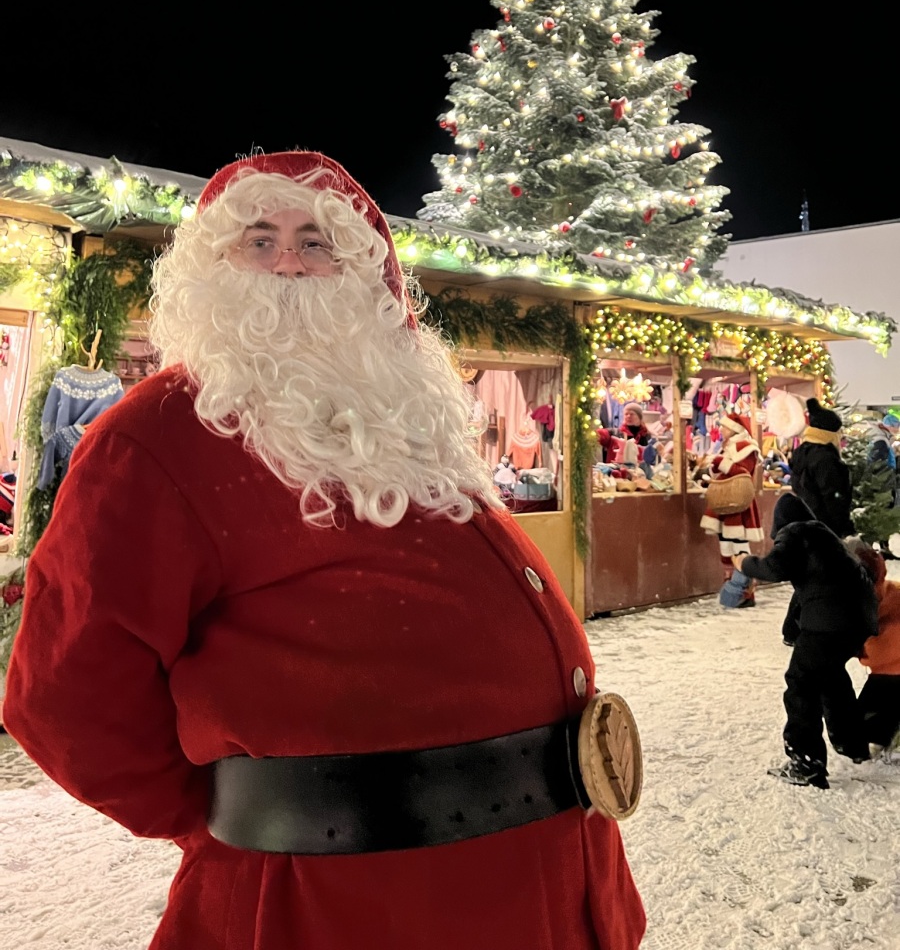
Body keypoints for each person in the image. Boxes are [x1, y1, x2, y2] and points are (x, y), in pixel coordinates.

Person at [2, 150, 646, 950]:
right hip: (342, 909)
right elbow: (66, 700)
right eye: (259, 240)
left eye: (316, 243)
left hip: (545, 886)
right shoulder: (155, 437)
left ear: (369, 276)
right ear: (213, 268)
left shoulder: (406, 414)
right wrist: (255, 816)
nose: (288, 265)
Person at [733, 492, 878, 789]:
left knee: (801, 684)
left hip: (828, 624)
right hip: (856, 622)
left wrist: (744, 563)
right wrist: (791, 632)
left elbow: (774, 568)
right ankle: (853, 743)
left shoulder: (796, 531)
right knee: (831, 678)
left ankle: (806, 762)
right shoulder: (826, 539)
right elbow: (805, 593)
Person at [700, 411, 764, 608]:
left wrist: (720, 462)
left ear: (734, 429)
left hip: (738, 503)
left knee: (739, 546)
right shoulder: (728, 447)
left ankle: (745, 592)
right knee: (726, 545)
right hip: (726, 501)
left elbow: (742, 473)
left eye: (725, 426)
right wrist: (713, 466)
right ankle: (731, 589)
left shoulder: (747, 448)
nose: (721, 429)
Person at [852, 542, 900, 761]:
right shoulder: (891, 590)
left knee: (869, 726)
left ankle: (887, 737)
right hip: (885, 672)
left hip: (889, 672)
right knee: (865, 725)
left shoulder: (857, 602)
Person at [788, 398, 855, 536]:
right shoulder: (825, 458)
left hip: (805, 522)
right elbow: (833, 497)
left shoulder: (801, 452)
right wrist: (843, 528)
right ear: (829, 433)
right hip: (826, 528)